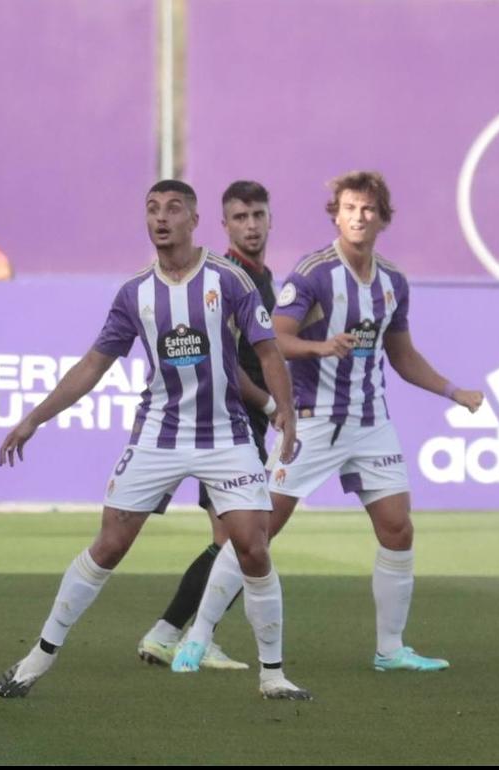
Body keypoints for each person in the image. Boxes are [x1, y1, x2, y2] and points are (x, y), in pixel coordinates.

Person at [0, 180, 312, 701]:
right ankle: (37, 659)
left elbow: (269, 352)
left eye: (173, 209)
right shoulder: (135, 293)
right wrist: (34, 418)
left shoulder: (229, 281)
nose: (161, 218)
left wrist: (286, 417)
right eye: (152, 209)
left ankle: (273, 675)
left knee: (253, 547)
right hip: (158, 437)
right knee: (109, 546)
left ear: (194, 219)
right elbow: (93, 365)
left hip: (225, 437)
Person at [172, 171, 485, 674]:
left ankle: (390, 650)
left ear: (383, 217)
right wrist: (319, 346)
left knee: (398, 528)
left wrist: (453, 391)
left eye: (368, 209)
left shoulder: (392, 283)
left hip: (370, 422)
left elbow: (402, 356)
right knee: (257, 533)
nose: (359, 217)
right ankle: (198, 634)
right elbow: (275, 337)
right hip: (313, 422)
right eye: (350, 208)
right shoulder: (314, 273)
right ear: (336, 215)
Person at [135, 181, 279, 670]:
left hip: (238, 420)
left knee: (236, 541)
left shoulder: (260, 276)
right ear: (221, 225)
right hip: (226, 422)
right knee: (239, 543)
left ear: (270, 220)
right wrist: (267, 402)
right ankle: (185, 633)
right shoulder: (224, 276)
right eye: (240, 218)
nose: (251, 226)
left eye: (258, 215)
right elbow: (223, 362)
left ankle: (173, 631)